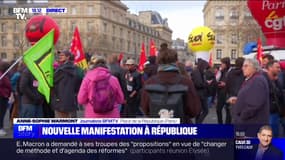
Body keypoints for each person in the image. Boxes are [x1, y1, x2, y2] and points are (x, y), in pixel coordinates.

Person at [141, 48, 201, 123]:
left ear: (158, 61)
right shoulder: (186, 82)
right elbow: (194, 110)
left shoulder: (149, 82)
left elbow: (145, 109)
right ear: (176, 61)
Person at [229, 59, 270, 137]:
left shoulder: (258, 80)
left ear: (255, 68)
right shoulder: (251, 79)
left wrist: (241, 117)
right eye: (243, 66)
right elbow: (251, 96)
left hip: (250, 125)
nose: (243, 68)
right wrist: (238, 100)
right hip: (247, 123)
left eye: (246, 66)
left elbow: (254, 104)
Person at [51, 50, 81, 118]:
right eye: (59, 55)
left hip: (61, 101)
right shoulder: (75, 68)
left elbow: (52, 81)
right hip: (71, 100)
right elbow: (79, 83)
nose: (60, 57)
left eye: (62, 55)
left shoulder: (61, 70)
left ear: (68, 57)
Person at [262, 60, 284, 137]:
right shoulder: (263, 79)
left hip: (276, 112)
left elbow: (280, 94)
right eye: (277, 67)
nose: (279, 69)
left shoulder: (275, 79)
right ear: (270, 68)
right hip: (270, 112)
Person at [191, 58, 210, 123]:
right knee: (205, 110)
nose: (205, 70)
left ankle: (198, 123)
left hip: (200, 94)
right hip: (200, 95)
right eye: (205, 68)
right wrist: (206, 83)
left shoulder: (199, 72)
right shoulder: (196, 72)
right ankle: (198, 123)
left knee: (199, 111)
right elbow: (199, 84)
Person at [216, 57, 232, 124]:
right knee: (218, 109)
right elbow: (217, 79)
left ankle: (227, 125)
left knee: (228, 110)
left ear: (226, 64)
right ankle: (220, 123)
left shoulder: (231, 71)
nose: (221, 65)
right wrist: (219, 71)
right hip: (221, 93)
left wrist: (225, 84)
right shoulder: (221, 71)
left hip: (227, 93)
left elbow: (233, 82)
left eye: (222, 63)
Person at [0, 61, 12, 136]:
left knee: (2, 113)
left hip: (4, 96)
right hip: (2, 97)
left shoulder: (4, 75)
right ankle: (0, 128)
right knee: (1, 114)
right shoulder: (2, 75)